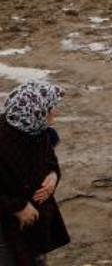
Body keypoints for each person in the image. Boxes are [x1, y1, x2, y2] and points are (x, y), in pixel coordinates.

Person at [0, 81, 70, 266]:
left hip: (36, 218)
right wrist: (19, 207)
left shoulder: (38, 131)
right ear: (34, 111)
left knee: (37, 258)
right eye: (50, 108)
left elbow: (51, 161)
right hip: (6, 225)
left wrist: (54, 176)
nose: (55, 112)